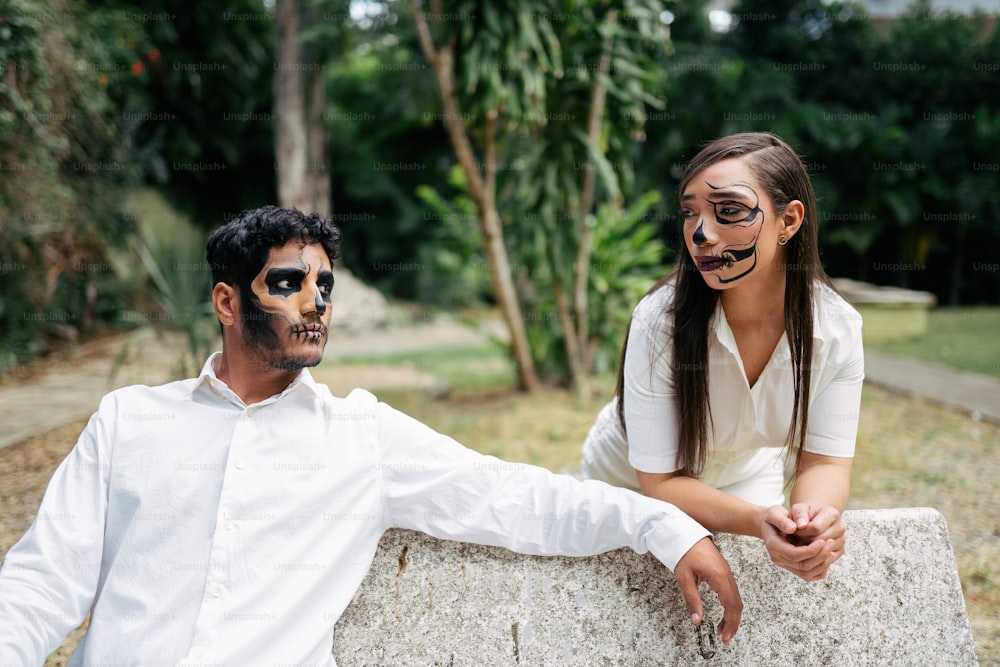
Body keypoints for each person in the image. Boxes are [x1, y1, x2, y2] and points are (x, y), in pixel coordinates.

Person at [0, 206, 741, 666]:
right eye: (288, 282)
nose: (314, 301)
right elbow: (42, 579)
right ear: (227, 301)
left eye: (325, 285)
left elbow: (517, 498)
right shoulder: (130, 419)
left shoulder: (362, 437)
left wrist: (660, 523)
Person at [581, 132, 864, 583]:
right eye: (690, 212)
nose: (700, 234)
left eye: (728, 210)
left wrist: (813, 521)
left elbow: (824, 463)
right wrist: (756, 520)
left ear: (788, 221)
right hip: (629, 484)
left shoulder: (837, 329)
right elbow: (660, 483)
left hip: (746, 485)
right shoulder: (660, 320)